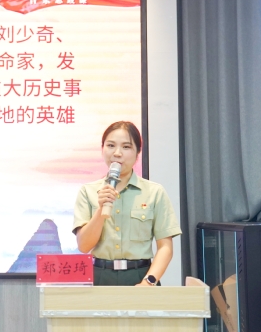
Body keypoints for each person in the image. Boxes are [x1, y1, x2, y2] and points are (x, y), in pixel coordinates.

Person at [73, 121, 181, 286]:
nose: (117, 153)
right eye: (111, 145)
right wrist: (101, 209)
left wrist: (148, 282)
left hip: (141, 275)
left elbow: (165, 247)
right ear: (102, 149)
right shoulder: (88, 191)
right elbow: (84, 246)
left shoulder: (154, 192)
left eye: (126, 147)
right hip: (100, 276)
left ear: (138, 152)